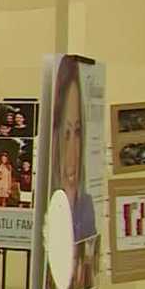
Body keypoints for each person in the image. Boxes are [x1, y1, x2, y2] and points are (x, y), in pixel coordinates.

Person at [52, 57, 97, 244]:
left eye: (78, 132)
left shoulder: (86, 207)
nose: (73, 153)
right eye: (66, 134)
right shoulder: (46, 206)